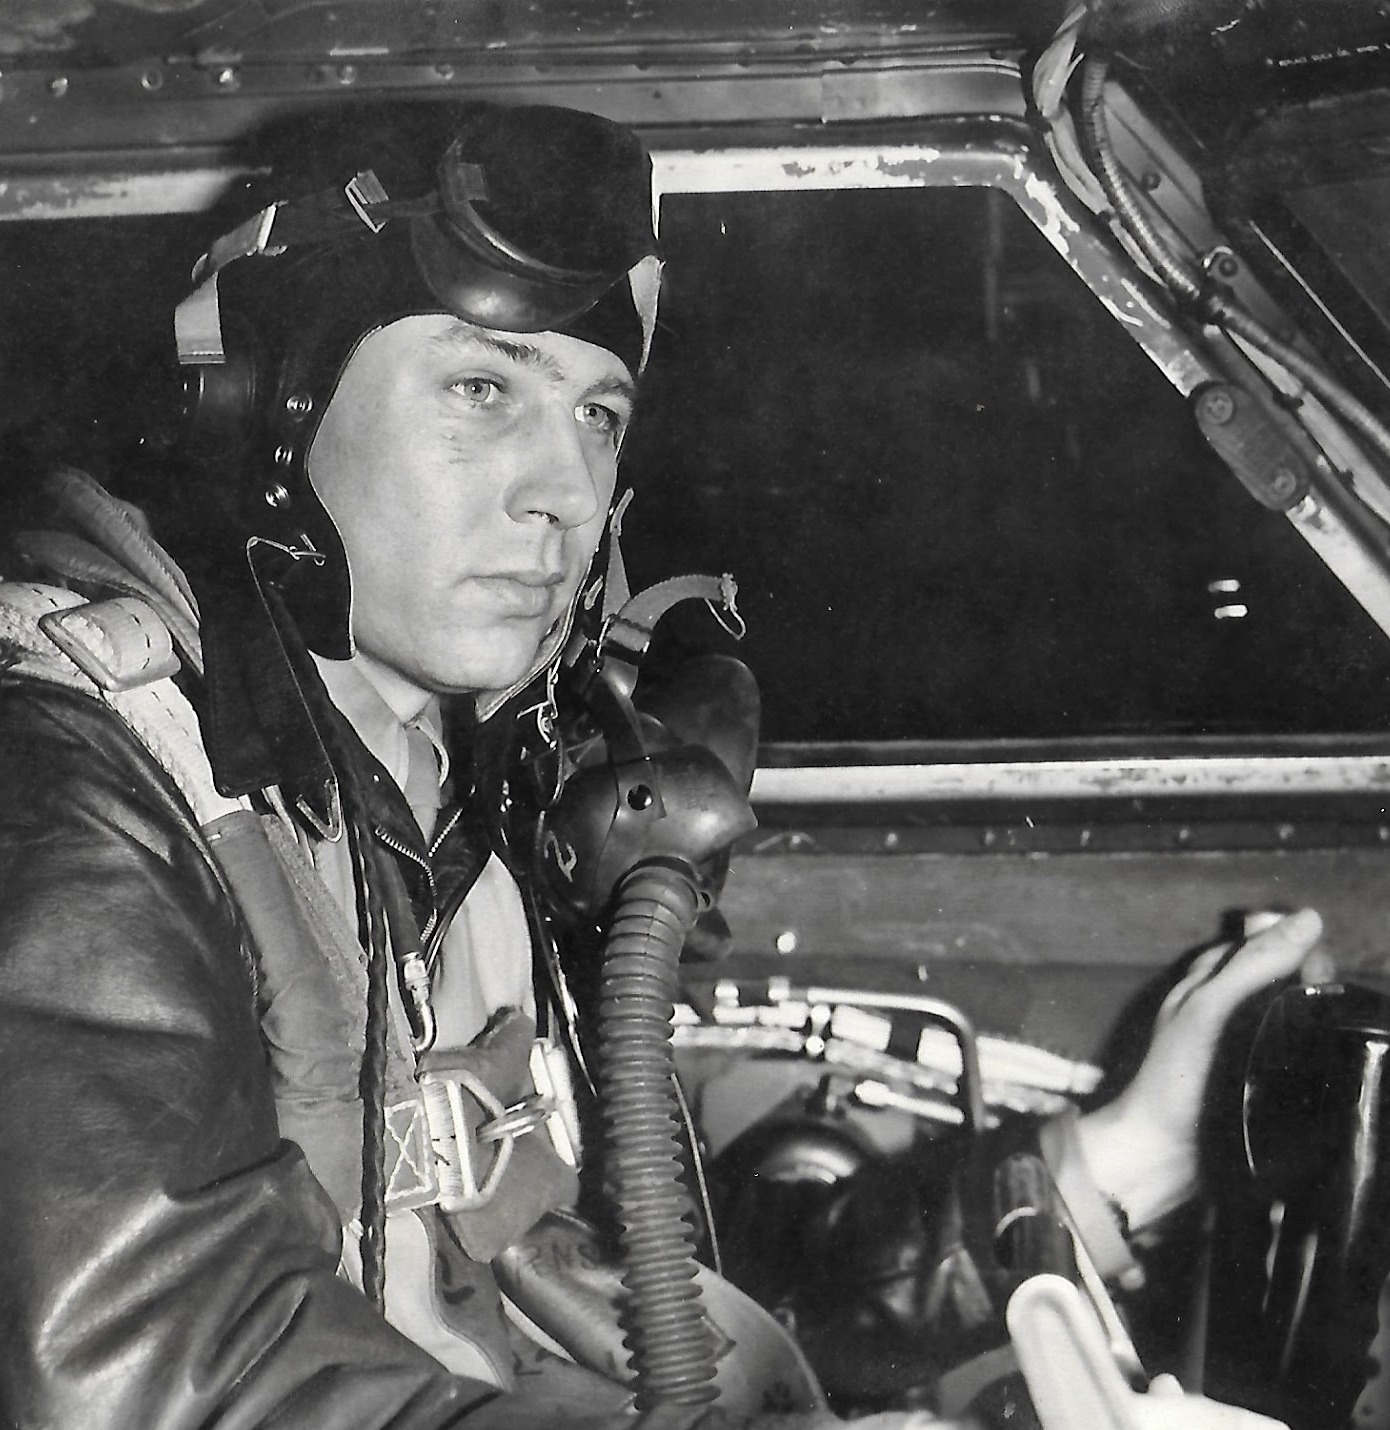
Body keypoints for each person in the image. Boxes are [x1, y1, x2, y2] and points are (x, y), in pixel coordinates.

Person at [0, 101, 1319, 1430]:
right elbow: (148, 1377)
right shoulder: (82, 796)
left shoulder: (449, 803)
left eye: (595, 412)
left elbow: (642, 1274)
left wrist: (1107, 1161)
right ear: (262, 409)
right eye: (480, 388)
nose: (562, 491)